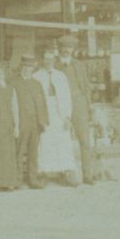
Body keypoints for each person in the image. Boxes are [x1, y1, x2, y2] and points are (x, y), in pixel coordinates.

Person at [34, 46, 77, 185]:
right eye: (46, 58)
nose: (49, 61)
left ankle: (66, 173)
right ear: (42, 59)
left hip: (60, 114)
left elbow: (67, 97)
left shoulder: (61, 76)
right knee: (45, 143)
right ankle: (44, 173)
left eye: (51, 58)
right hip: (45, 114)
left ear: (54, 59)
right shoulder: (36, 76)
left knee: (63, 142)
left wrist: (67, 117)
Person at [57, 34, 95, 185]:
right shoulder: (55, 66)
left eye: (70, 48)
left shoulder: (79, 65)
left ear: (73, 50)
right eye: (64, 47)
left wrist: (89, 105)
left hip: (79, 103)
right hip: (61, 105)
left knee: (84, 141)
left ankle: (87, 175)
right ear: (60, 49)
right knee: (62, 140)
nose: (67, 50)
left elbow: (86, 86)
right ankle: (64, 175)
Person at [11, 53, 48, 189]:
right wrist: (14, 124)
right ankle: (17, 179)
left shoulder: (37, 84)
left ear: (34, 68)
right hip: (21, 123)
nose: (28, 69)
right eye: (25, 66)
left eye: (30, 66)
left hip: (35, 123)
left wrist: (43, 121)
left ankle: (33, 179)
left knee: (34, 152)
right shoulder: (14, 83)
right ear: (21, 67)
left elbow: (42, 103)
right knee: (19, 151)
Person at [0, 62, 20, 190]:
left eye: (1, 73)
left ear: (5, 75)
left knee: (8, 154)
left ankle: (9, 182)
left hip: (7, 124)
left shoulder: (11, 88)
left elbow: (15, 108)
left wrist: (16, 126)